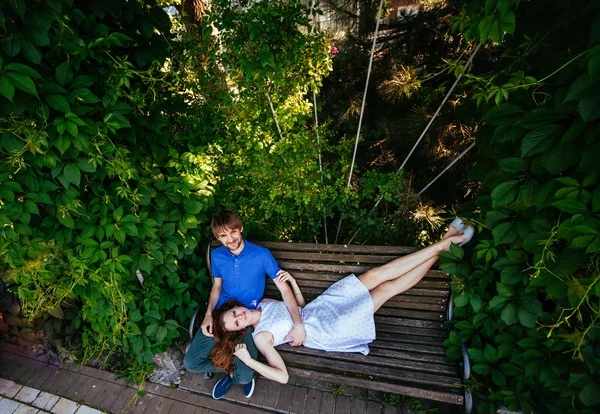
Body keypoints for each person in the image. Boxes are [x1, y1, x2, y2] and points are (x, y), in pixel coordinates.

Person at [210, 219, 474, 385]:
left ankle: (441, 245)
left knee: (375, 275)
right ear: (238, 331)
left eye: (234, 312)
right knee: (387, 289)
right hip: (330, 328)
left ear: (236, 306)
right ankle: (442, 246)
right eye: (235, 323)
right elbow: (283, 376)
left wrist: (295, 285)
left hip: (320, 307)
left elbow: (299, 307)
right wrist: (250, 360)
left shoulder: (264, 303)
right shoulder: (260, 339)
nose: (238, 316)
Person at [183, 209, 306, 400]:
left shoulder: (262, 254)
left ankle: (236, 372)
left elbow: (284, 290)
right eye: (223, 236)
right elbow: (217, 285)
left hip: (246, 318)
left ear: (240, 228)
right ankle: (230, 370)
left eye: (233, 232)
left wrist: (298, 324)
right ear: (218, 237)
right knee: (191, 362)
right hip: (222, 316)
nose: (230, 239)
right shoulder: (217, 255)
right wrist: (208, 314)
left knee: (246, 375)